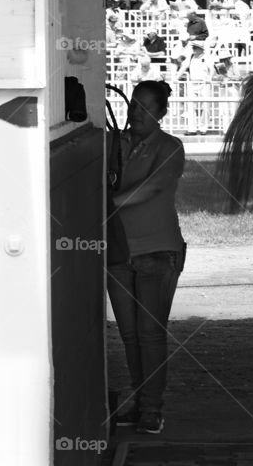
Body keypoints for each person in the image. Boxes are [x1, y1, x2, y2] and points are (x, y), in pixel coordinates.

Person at [107, 80, 185, 435]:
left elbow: (152, 187)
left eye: (144, 108)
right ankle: (141, 404)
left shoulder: (171, 146)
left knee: (150, 333)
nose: (135, 113)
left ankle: (153, 408)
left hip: (158, 250)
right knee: (130, 335)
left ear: (160, 114)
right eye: (133, 105)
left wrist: (108, 205)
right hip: (119, 250)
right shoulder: (114, 143)